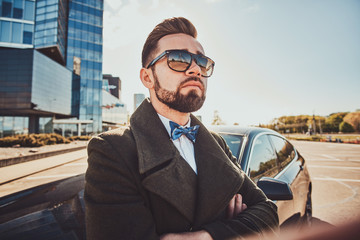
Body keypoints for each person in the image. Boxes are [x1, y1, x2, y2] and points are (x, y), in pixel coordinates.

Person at [85, 17, 279, 240]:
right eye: (179, 59)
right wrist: (238, 226)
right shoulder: (112, 149)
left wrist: (208, 235)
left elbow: (267, 213)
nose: (196, 69)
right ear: (147, 77)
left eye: (202, 62)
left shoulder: (216, 142)